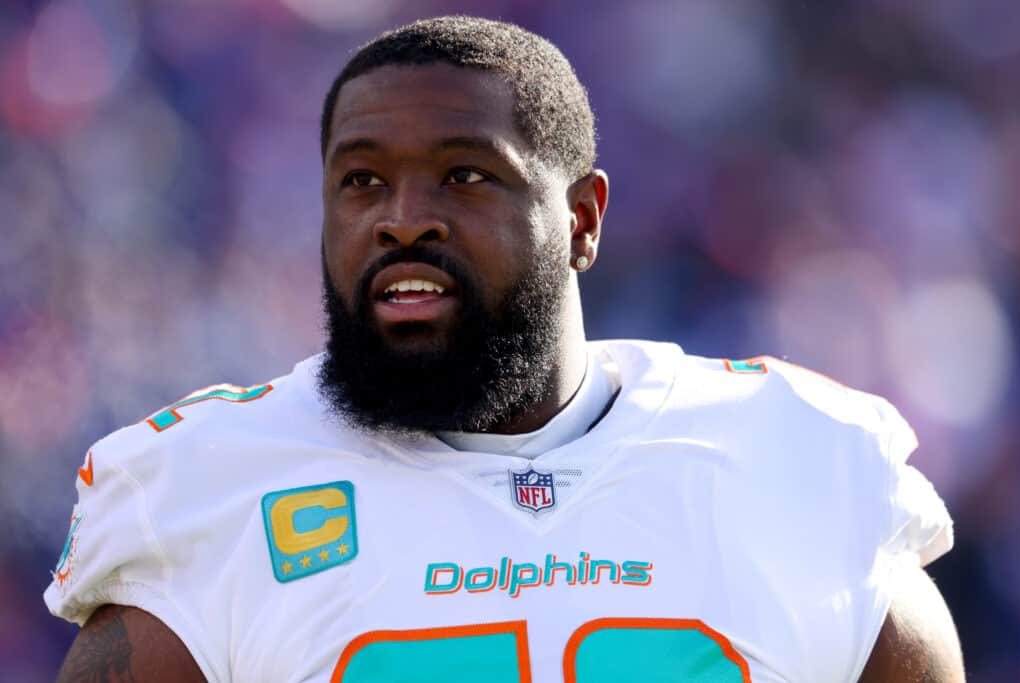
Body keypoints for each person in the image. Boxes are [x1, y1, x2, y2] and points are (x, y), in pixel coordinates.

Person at [46, 15, 963, 683]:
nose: (403, 220)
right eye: (361, 180)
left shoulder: (798, 459)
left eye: (466, 175)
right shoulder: (210, 489)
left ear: (583, 218)